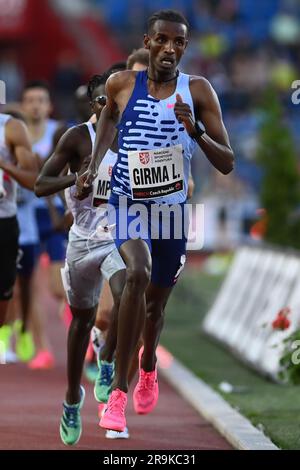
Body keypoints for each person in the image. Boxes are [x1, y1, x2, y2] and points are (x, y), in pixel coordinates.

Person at [77, 9, 234, 433]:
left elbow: (228, 162)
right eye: (162, 40)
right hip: (129, 201)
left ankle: (147, 365)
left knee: (155, 307)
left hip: (172, 211)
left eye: (178, 42)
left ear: (185, 47)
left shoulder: (198, 91)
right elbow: (108, 116)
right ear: (147, 42)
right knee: (137, 273)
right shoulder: (122, 84)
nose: (170, 48)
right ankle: (118, 395)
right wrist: (93, 167)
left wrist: (196, 130)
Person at [35, 71, 127, 445]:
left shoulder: (135, 137)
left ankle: (107, 363)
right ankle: (73, 397)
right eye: (105, 100)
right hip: (83, 242)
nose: (112, 107)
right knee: (81, 322)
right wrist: (74, 181)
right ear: (94, 104)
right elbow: (42, 184)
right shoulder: (77, 137)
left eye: (117, 100)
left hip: (119, 236)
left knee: (127, 290)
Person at [20, 80, 67, 369]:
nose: (36, 105)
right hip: (26, 215)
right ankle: (42, 348)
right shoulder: (15, 134)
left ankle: (82, 331)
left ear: (49, 106)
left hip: (54, 215)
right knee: (30, 287)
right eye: (31, 100)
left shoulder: (59, 133)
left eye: (41, 100)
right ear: (23, 106)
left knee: (58, 288)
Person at [0, 112, 37, 328]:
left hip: (4, 221)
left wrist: (5, 165)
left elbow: (33, 180)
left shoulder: (11, 128)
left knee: (4, 296)